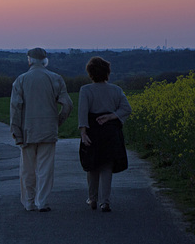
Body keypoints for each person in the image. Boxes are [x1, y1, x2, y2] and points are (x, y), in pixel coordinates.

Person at [10, 48, 74, 212]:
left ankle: (29, 202)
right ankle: (42, 202)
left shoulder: (21, 80)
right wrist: (57, 121)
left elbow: (15, 108)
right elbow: (68, 105)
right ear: (45, 60)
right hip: (48, 130)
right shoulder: (55, 78)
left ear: (29, 60)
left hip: (27, 131)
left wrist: (16, 132)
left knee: (27, 169)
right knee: (45, 169)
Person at [78, 56, 132, 212]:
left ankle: (92, 199)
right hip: (110, 132)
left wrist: (83, 133)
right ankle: (105, 202)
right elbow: (126, 109)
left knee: (92, 166)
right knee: (107, 166)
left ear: (90, 73)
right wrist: (111, 116)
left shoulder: (86, 90)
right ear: (107, 72)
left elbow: (82, 113)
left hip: (92, 130)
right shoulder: (116, 90)